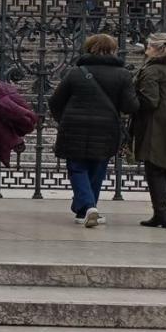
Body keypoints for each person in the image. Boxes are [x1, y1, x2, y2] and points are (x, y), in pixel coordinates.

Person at [48, 34, 138, 228]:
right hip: (106, 128)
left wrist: (63, 119)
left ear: (88, 48)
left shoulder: (75, 72)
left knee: (77, 168)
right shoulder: (123, 74)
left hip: (74, 126)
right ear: (113, 50)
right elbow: (130, 106)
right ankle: (88, 207)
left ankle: (86, 208)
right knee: (98, 168)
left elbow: (55, 101)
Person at [132, 33, 166, 228]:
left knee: (154, 168)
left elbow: (150, 101)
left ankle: (161, 214)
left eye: (149, 46)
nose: (146, 49)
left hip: (158, 123)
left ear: (158, 50)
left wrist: (132, 99)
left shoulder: (153, 70)